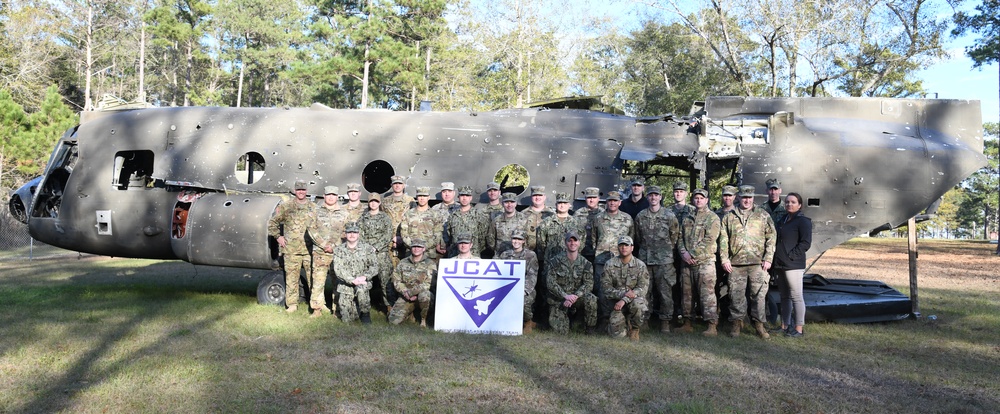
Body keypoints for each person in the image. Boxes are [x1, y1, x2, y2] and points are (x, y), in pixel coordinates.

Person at [718, 185, 776, 339]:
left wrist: (768, 258)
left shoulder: (762, 215)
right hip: (736, 265)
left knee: (758, 297)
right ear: (739, 198)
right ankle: (736, 325)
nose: (746, 200)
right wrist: (724, 259)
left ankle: (759, 325)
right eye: (744, 197)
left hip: (758, 264)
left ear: (753, 198)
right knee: (736, 296)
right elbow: (723, 240)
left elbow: (771, 237)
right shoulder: (729, 216)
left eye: (749, 198)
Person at [634, 185, 680, 333]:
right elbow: (638, 237)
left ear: (660, 197)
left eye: (656, 195)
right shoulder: (641, 216)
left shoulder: (669, 215)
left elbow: (674, 236)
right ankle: (645, 319)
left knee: (665, 292)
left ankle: (665, 321)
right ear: (647, 197)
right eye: (651, 195)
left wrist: (665, 251)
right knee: (644, 291)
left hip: (664, 261)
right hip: (645, 260)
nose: (653, 198)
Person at [267, 180, 317, 313]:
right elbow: (273, 223)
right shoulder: (286, 206)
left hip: (309, 250)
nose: (301, 192)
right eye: (299, 190)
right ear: (295, 191)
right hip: (291, 250)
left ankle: (315, 304)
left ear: (306, 191)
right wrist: (278, 237)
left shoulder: (313, 207)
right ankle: (292, 304)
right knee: (291, 278)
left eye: (303, 190)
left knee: (313, 278)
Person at [677, 188, 722, 336]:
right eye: (696, 198)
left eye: (701, 198)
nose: (698, 200)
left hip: (704, 262)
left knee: (707, 294)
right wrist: (683, 253)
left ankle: (711, 325)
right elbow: (680, 237)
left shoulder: (713, 218)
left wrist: (692, 254)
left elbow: (710, 239)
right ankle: (687, 322)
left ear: (707, 200)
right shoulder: (687, 217)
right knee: (686, 294)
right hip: (687, 263)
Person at [307, 185, 350, 317]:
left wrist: (335, 247)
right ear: (324, 196)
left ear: (337, 197)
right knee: (318, 282)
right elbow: (311, 229)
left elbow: (347, 232)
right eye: (328, 195)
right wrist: (324, 245)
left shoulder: (344, 213)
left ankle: (337, 310)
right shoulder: (316, 211)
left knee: (338, 282)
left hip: (337, 253)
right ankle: (317, 309)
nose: (331, 197)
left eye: (334, 195)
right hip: (320, 252)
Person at [773, 192, 812, 337]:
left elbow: (805, 243)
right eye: (787, 202)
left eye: (793, 202)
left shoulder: (803, 221)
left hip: (793, 264)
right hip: (779, 264)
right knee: (784, 296)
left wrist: (791, 256)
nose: (789, 204)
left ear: (799, 205)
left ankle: (798, 329)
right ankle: (785, 325)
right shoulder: (783, 219)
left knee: (796, 296)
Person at [593, 190, 634, 326]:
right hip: (601, 260)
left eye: (615, 200)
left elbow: (631, 239)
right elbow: (594, 239)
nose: (612, 203)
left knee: (621, 288)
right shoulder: (598, 218)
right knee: (602, 290)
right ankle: (603, 320)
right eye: (610, 200)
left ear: (619, 202)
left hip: (620, 260)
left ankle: (621, 319)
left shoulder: (627, 219)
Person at [546, 232, 597, 334]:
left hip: (577, 298)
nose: (572, 243)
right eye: (570, 241)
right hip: (560, 298)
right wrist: (565, 296)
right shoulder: (555, 261)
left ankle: (589, 328)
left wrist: (575, 296)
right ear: (565, 243)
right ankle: (566, 319)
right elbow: (550, 283)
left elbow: (589, 284)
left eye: (575, 240)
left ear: (579, 243)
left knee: (591, 299)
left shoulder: (586, 264)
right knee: (560, 332)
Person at [601, 236, 649, 340]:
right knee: (618, 337)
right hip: (616, 304)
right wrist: (622, 295)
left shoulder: (640, 265)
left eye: (626, 245)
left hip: (633, 301)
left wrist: (624, 299)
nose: (624, 248)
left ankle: (635, 329)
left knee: (639, 305)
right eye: (621, 245)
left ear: (632, 248)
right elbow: (606, 288)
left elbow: (643, 288)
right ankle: (619, 323)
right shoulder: (609, 264)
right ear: (618, 248)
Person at [333, 223, 378, 324]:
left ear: (358, 234)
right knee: (347, 319)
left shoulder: (368, 249)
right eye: (349, 232)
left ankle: (365, 313)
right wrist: (352, 280)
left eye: (355, 232)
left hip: (363, 282)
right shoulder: (338, 250)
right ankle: (356, 308)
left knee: (361, 290)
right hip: (346, 284)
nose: (352, 234)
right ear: (346, 234)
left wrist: (364, 277)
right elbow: (338, 269)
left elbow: (374, 266)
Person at [358, 192, 395, 312]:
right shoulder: (363, 218)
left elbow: (388, 234)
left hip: (381, 254)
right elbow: (360, 234)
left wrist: (376, 247)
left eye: (376, 201)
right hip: (366, 255)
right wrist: (368, 248)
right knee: (365, 281)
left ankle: (389, 307)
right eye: (371, 201)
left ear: (379, 203)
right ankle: (364, 309)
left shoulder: (385, 218)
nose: (373, 203)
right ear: (368, 203)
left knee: (386, 282)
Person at [497, 229, 539, 333]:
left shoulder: (530, 255)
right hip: (506, 287)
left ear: (524, 241)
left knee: (524, 302)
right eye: (514, 238)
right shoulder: (504, 255)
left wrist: (524, 290)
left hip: (525, 288)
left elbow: (532, 275)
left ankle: (528, 321)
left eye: (519, 239)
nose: (516, 241)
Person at [389, 239, 437, 327]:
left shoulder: (430, 264)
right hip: (406, 295)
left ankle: (423, 319)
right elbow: (396, 280)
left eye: (419, 247)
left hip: (421, 294)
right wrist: (405, 292)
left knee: (425, 296)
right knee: (393, 321)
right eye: (414, 246)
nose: (416, 249)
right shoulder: (403, 262)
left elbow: (429, 283)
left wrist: (412, 293)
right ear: (411, 248)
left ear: (423, 249)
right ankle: (410, 313)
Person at [536, 192, 584, 264]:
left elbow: (582, 241)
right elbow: (541, 243)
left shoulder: (577, 223)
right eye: (560, 203)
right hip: (551, 261)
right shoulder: (546, 222)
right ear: (556, 205)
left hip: (570, 262)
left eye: (565, 203)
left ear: (569, 205)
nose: (562, 205)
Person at [400, 186, 446, 259]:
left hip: (428, 254)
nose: (422, 198)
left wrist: (423, 247)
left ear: (429, 197)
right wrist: (414, 247)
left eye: (424, 196)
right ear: (416, 197)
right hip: (411, 253)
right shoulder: (408, 214)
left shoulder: (435, 215)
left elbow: (437, 235)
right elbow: (404, 233)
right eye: (420, 196)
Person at [446, 185, 489, 257]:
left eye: (467, 195)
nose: (464, 198)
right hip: (454, 254)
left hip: (473, 255)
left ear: (471, 198)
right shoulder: (452, 216)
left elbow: (483, 237)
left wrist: (474, 248)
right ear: (458, 197)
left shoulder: (478, 215)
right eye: (462, 195)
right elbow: (449, 235)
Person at [573, 187, 604, 264]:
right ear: (585, 198)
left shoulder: (603, 214)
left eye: (594, 197)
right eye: (589, 197)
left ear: (598, 199)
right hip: (582, 252)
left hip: (599, 253)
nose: (591, 200)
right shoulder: (578, 213)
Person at [522, 185, 554, 253]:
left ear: (544, 197)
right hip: (528, 254)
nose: (537, 197)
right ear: (531, 197)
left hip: (546, 254)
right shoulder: (523, 214)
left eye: (540, 195)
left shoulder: (552, 214)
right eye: (535, 195)